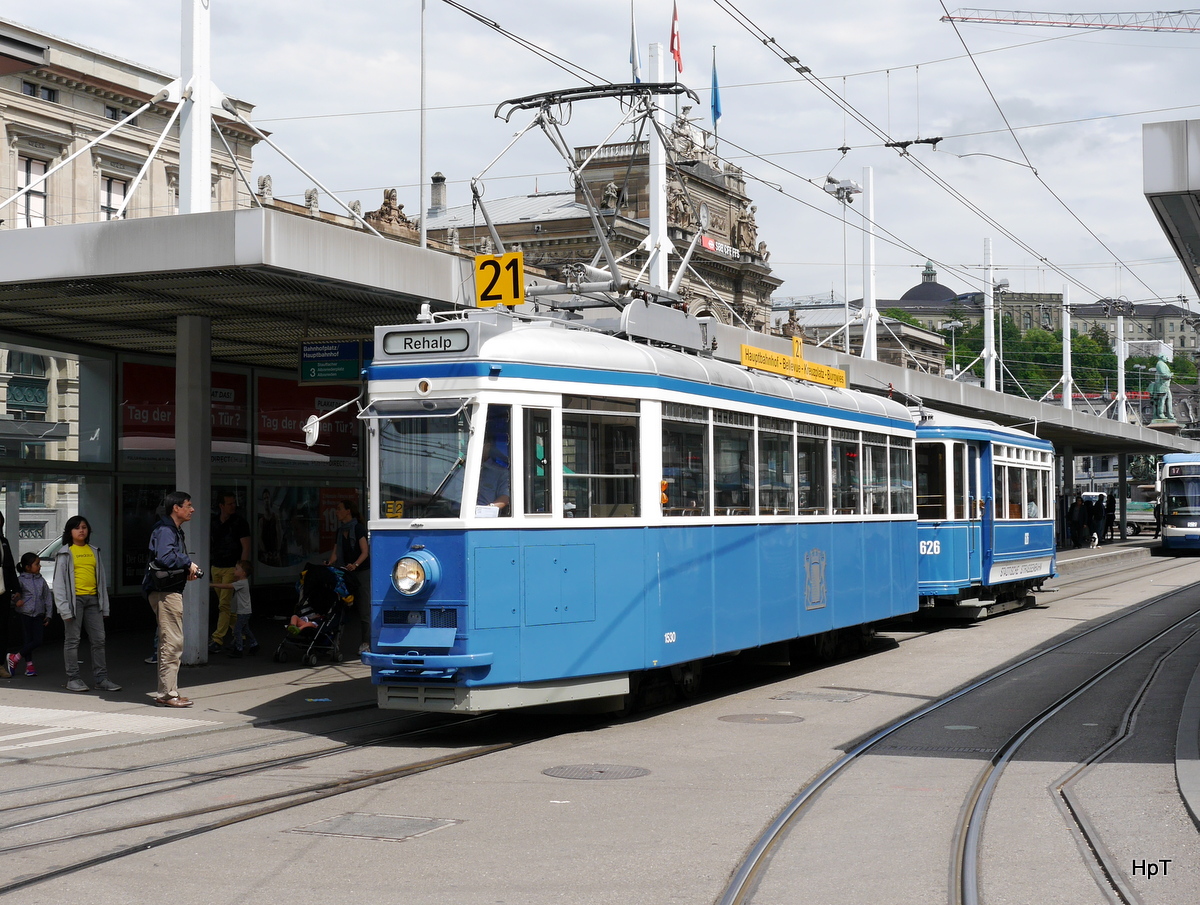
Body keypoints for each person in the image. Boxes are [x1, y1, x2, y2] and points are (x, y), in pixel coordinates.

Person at [143, 491, 200, 708]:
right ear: (176, 508)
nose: (192, 509)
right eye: (188, 505)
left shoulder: (171, 529)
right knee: (172, 642)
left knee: (171, 641)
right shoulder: (166, 530)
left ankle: (169, 691)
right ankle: (167, 694)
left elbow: (166, 561)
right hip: (165, 594)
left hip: (168, 590)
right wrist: (188, 563)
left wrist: (184, 571)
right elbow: (165, 557)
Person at [53, 515, 121, 693]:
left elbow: (101, 580)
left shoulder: (94, 550)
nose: (81, 530)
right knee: (72, 641)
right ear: (70, 532)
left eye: (84, 527)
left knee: (99, 640)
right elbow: (59, 584)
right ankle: (73, 678)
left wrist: (104, 606)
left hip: (93, 601)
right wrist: (64, 609)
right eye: (77, 528)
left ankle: (101, 678)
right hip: (75, 601)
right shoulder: (65, 553)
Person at [326, 499, 370, 652]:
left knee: (364, 608)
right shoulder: (340, 531)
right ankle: (335, 641)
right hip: (346, 571)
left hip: (361, 571)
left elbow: (365, 551)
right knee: (340, 606)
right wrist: (329, 563)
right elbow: (335, 554)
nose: (337, 512)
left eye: (339, 508)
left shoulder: (358, 528)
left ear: (348, 511)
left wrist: (355, 564)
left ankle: (366, 643)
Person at [209, 492, 251, 653]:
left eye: (234, 503)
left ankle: (217, 638)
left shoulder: (240, 523)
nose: (233, 506)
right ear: (221, 506)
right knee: (226, 606)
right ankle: (241, 634)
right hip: (217, 565)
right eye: (229, 504)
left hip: (231, 567)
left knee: (224, 605)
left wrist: (240, 570)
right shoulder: (214, 522)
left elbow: (246, 546)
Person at [10, 552, 52, 677]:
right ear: (27, 567)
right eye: (37, 564)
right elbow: (13, 594)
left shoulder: (42, 580)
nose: (40, 566)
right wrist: (17, 601)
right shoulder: (20, 580)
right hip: (25, 613)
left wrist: (49, 614)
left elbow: (47, 598)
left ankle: (15, 657)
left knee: (38, 640)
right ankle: (29, 666)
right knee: (28, 640)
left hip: (38, 614)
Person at [210, 560, 256, 657]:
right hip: (244, 611)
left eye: (236, 569)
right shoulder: (243, 582)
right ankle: (254, 644)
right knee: (245, 629)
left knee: (237, 630)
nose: (234, 570)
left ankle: (239, 650)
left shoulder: (241, 583)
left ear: (243, 573)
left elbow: (228, 586)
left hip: (243, 611)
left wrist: (212, 584)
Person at [0, 512, 19, 679]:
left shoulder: (3, 542)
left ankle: (0, 664)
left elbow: (10, 566)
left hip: (3, 591)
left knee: (2, 628)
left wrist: (16, 589)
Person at [477, 432, 511, 513]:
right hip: (452, 515)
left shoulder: (501, 472)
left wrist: (485, 511)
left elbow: (505, 498)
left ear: (487, 446)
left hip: (483, 519)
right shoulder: (461, 469)